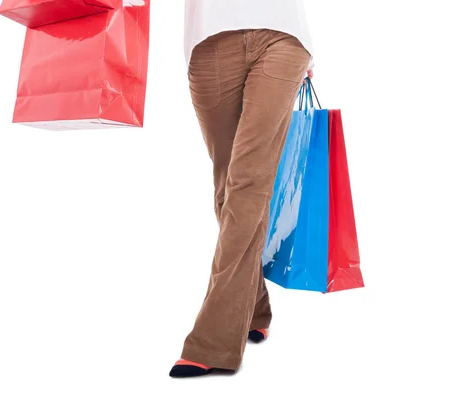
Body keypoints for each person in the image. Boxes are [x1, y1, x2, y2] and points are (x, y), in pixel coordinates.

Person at [169, 0, 315, 378]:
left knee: (249, 183)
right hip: (210, 43)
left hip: (283, 38)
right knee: (228, 189)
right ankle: (253, 308)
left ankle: (212, 343)